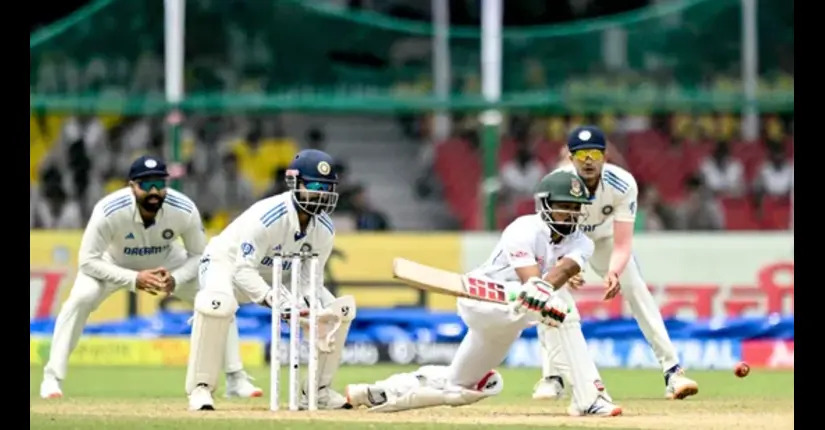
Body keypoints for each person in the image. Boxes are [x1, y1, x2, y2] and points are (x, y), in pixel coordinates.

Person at [345, 170, 621, 417]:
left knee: (466, 386)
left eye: (577, 208)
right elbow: (529, 278)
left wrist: (542, 290)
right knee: (562, 306)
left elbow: (563, 270)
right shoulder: (523, 228)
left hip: (510, 320)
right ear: (545, 204)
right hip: (484, 298)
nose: (572, 214)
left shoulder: (582, 242)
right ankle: (589, 399)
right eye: (565, 207)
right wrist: (539, 291)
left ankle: (378, 393)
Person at [39, 156, 261, 399]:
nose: (154, 191)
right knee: (81, 297)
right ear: (131, 186)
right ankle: (52, 378)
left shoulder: (183, 209)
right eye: (146, 185)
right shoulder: (108, 210)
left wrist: (176, 278)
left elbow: (200, 255)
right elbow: (88, 261)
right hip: (113, 263)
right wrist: (135, 278)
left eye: (159, 184)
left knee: (217, 299)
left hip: (167, 262)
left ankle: (236, 379)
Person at [534, 126, 699, 401]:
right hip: (568, 242)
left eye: (594, 153)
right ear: (571, 158)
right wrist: (563, 263)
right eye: (582, 154)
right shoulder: (555, 183)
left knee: (636, 289)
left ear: (605, 156)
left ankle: (673, 372)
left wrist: (613, 271)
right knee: (549, 293)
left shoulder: (622, 183)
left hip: (605, 239)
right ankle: (552, 377)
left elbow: (622, 244)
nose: (588, 160)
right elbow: (547, 236)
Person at [186, 149, 356, 411]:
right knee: (216, 304)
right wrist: (277, 300)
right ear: (295, 184)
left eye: (327, 187)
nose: (320, 194)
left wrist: (306, 308)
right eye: (313, 186)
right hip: (227, 265)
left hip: (279, 276)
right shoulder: (267, 218)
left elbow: (309, 279)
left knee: (340, 310)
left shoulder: (324, 230)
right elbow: (243, 271)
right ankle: (200, 388)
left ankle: (317, 391)